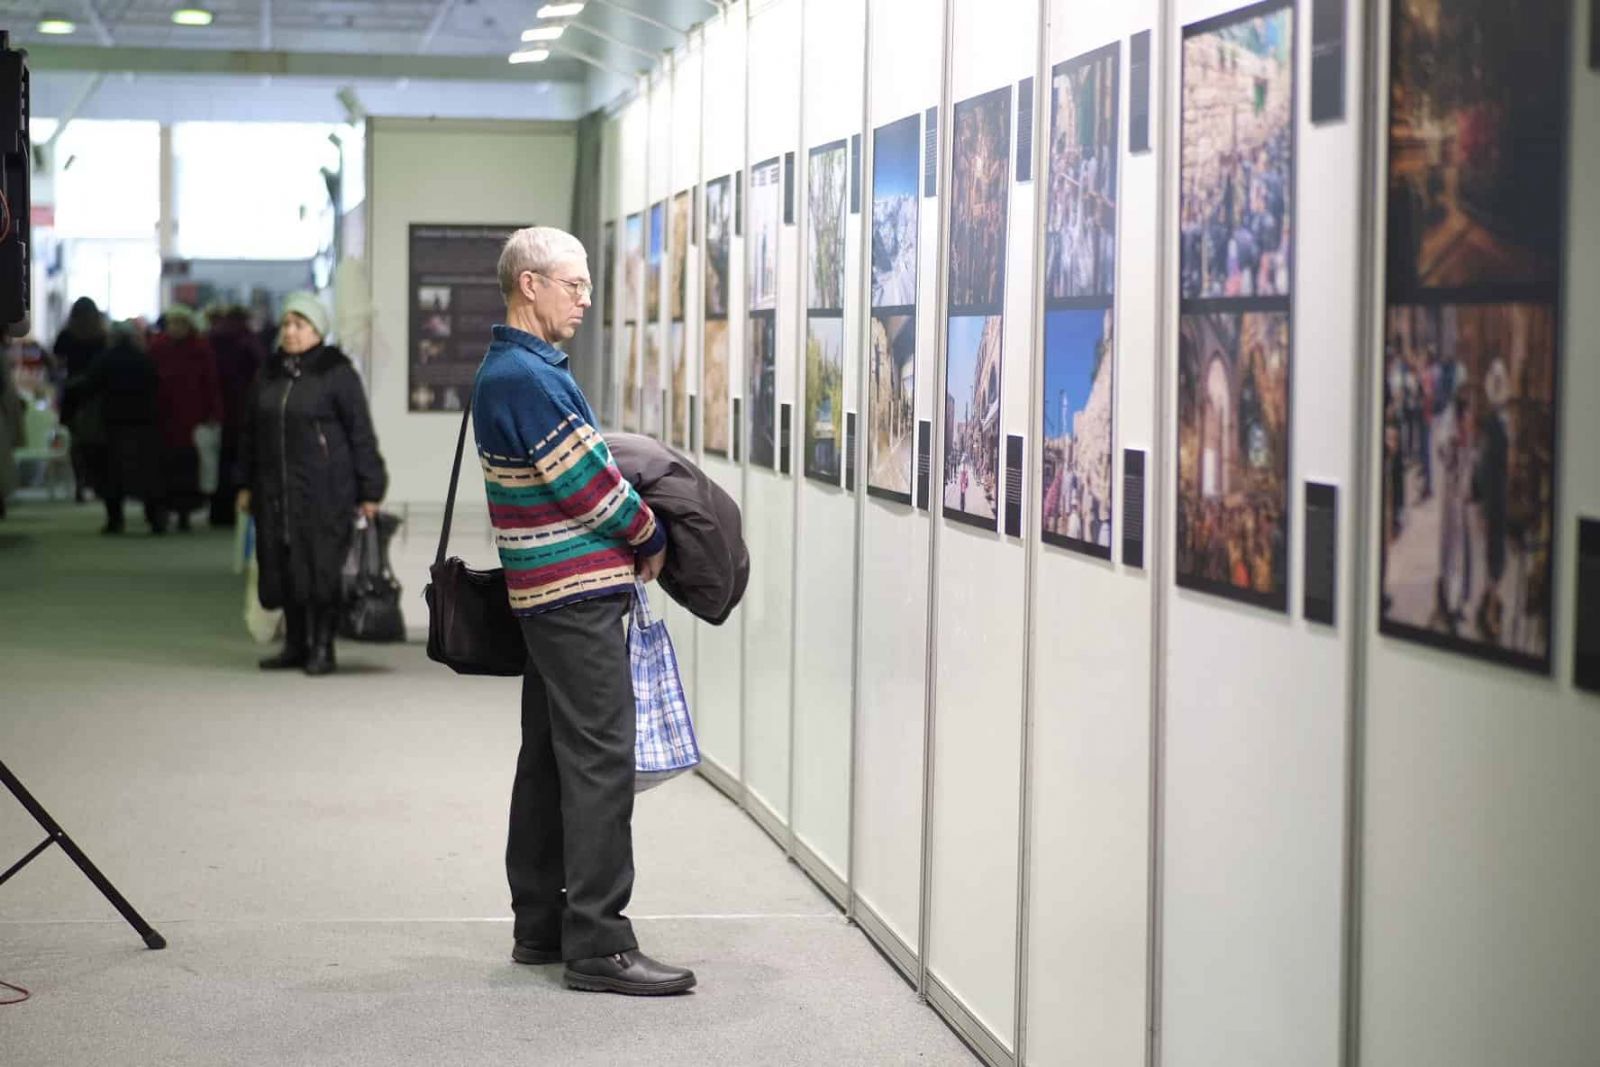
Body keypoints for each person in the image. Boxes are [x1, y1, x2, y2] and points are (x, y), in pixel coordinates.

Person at [473, 226, 690, 996]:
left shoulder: (514, 369)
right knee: (600, 760)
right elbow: (588, 484)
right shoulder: (528, 377)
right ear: (529, 284)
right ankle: (599, 940)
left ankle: (541, 923)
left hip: (546, 594)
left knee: (547, 757)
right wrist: (650, 531)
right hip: (572, 595)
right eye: (575, 284)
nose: (587, 298)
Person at [237, 293, 387, 677]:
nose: (290, 331)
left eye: (299, 325)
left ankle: (323, 646)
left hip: (325, 490)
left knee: (319, 568)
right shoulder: (269, 371)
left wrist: (371, 489)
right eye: (286, 324)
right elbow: (250, 432)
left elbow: (360, 433)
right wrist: (245, 484)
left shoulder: (336, 372)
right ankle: (295, 644)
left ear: (317, 330)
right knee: (282, 564)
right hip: (275, 490)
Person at [62, 321, 162, 535]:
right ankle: (155, 519)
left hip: (112, 422)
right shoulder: (144, 359)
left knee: (112, 475)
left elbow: (89, 386)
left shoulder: (105, 359)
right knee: (146, 473)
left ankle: (115, 521)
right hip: (144, 422)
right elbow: (156, 385)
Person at [149, 306, 223, 532]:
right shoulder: (158, 347)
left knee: (189, 468)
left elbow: (210, 382)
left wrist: (214, 413)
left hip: (192, 418)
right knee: (168, 467)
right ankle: (169, 510)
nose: (176, 328)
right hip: (165, 418)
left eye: (180, 323)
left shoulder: (200, 348)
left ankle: (184, 513)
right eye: (172, 323)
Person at [208, 306, 267, 528]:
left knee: (220, 463)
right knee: (240, 461)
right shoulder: (249, 342)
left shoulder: (212, 339)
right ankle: (235, 510)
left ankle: (218, 511)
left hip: (220, 409)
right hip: (243, 409)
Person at [53, 297, 108, 503]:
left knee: (75, 442)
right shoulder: (101, 335)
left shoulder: (67, 335)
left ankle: (79, 484)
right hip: (96, 392)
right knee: (97, 440)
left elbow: (57, 361)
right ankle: (97, 483)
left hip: (73, 391)